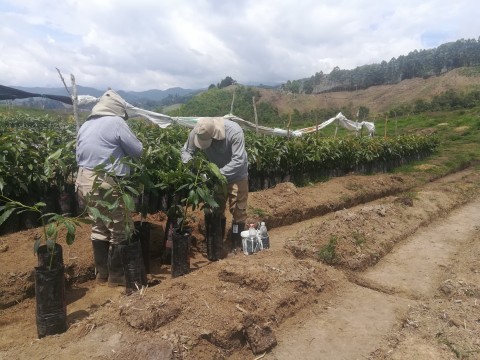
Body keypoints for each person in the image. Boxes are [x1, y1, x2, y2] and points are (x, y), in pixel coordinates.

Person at [75, 90, 143, 286]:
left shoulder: (86, 125)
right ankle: (117, 278)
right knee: (119, 229)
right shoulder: (116, 122)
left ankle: (101, 275)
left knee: (99, 225)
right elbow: (138, 151)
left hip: (83, 180)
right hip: (106, 181)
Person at [181, 117, 249, 258]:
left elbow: (239, 160)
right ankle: (216, 245)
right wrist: (191, 166)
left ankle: (236, 245)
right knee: (215, 209)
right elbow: (186, 151)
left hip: (236, 175)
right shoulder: (198, 130)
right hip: (214, 176)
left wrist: (216, 174)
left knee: (238, 210)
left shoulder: (234, 131)